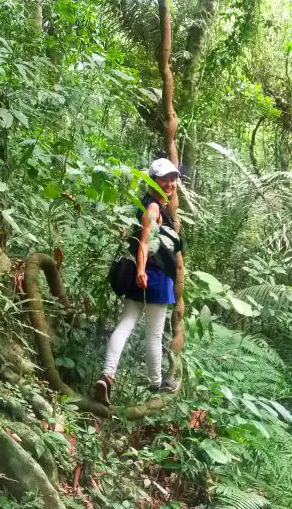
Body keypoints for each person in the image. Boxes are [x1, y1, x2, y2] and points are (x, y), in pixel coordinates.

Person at [94, 158, 183, 406]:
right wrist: (143, 270)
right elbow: (145, 241)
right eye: (164, 179)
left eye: (173, 178)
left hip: (139, 276)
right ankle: (156, 384)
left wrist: (139, 271)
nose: (170, 183)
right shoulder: (154, 208)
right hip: (153, 277)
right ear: (152, 180)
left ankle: (107, 375)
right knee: (154, 335)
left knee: (125, 325)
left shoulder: (146, 204)